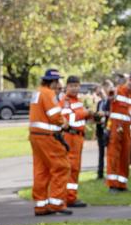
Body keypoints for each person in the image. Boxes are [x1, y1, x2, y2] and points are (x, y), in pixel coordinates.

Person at [28, 69, 72, 216]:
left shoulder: (37, 93)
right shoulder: (48, 93)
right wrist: (64, 123)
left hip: (36, 136)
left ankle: (41, 206)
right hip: (47, 137)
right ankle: (56, 204)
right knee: (61, 167)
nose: (59, 84)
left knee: (41, 170)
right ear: (52, 82)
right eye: (58, 81)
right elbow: (54, 116)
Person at [59, 75, 91, 208]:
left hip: (78, 137)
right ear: (67, 87)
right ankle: (68, 197)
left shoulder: (77, 101)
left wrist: (90, 115)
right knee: (71, 167)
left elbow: (79, 118)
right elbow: (69, 119)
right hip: (70, 136)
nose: (74, 88)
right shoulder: (65, 101)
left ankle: (71, 195)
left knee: (76, 167)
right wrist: (85, 113)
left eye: (77, 86)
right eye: (72, 86)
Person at [106, 71, 131, 192]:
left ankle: (122, 184)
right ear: (128, 79)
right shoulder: (118, 90)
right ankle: (112, 184)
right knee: (113, 155)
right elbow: (110, 98)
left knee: (125, 157)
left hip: (127, 130)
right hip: (115, 127)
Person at [95, 80, 113, 180]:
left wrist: (104, 113)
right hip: (100, 129)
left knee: (109, 152)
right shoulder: (99, 103)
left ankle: (110, 172)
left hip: (108, 128)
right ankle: (100, 172)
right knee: (101, 152)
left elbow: (112, 113)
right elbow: (98, 114)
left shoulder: (110, 101)